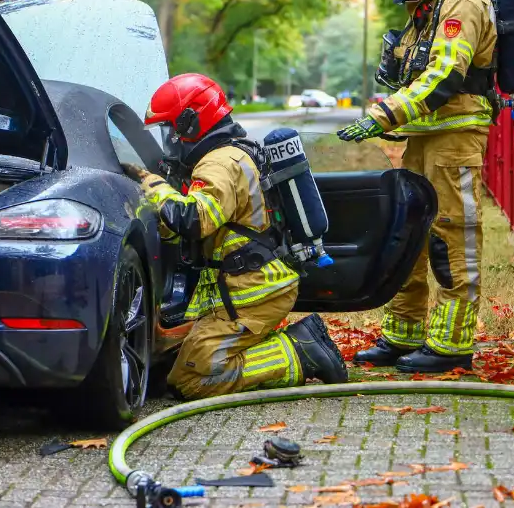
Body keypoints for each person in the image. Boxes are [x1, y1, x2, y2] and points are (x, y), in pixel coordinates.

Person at [337, 0, 499, 373]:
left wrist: (382, 115)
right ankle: (402, 333)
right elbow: (413, 76)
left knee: (453, 237)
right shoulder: (426, 5)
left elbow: (446, 76)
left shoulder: (462, 2)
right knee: (407, 235)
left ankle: (452, 345)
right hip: (422, 139)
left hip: (456, 139)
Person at [122, 73, 347, 400]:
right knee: (171, 362)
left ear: (191, 123)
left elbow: (194, 219)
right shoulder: (231, 154)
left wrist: (152, 185)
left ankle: (301, 351)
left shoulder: (221, 163)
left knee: (193, 380)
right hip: (243, 287)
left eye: (171, 130)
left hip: (252, 292)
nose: (169, 141)